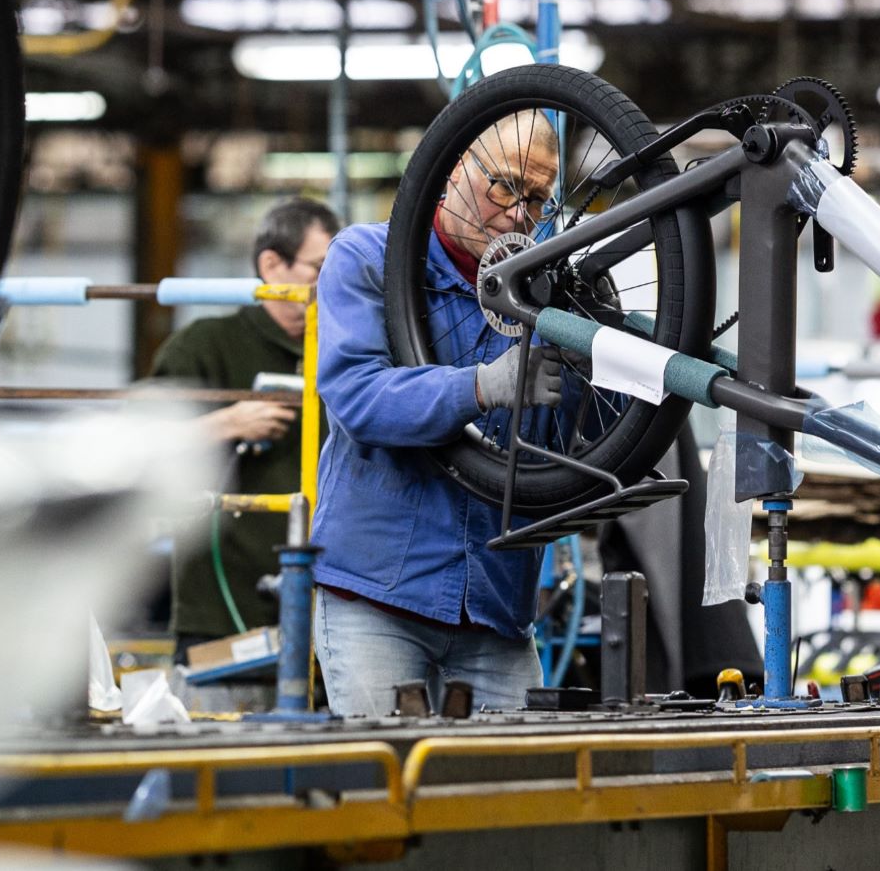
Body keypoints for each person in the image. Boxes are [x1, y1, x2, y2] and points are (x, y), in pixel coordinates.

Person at [312, 110, 568, 717]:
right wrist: (481, 386)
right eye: (506, 185)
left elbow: (568, 443)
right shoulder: (369, 258)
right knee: (385, 792)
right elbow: (358, 398)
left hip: (497, 609)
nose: (519, 215)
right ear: (455, 168)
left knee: (514, 790)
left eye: (539, 199)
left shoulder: (541, 290)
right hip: (378, 598)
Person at [150, 197, 339, 662]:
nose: (330, 284)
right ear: (272, 265)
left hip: (332, 607)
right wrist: (226, 421)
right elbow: (138, 448)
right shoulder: (205, 347)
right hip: (220, 605)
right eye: (318, 268)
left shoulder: (349, 352)